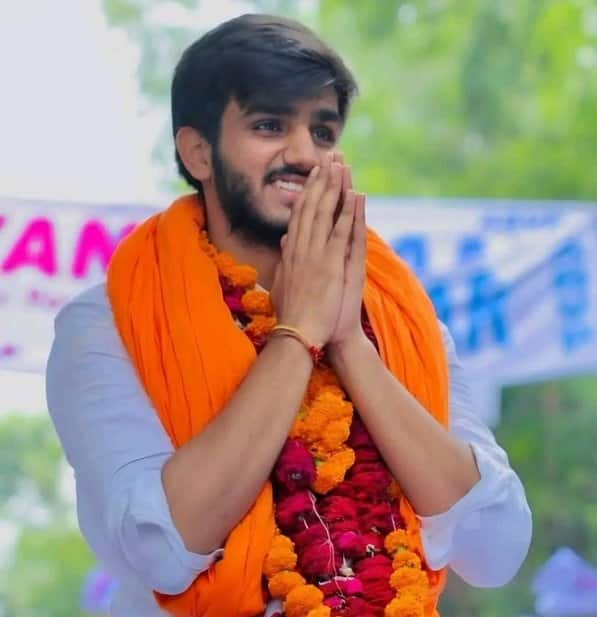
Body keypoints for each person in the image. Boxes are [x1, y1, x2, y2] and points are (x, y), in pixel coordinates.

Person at [46, 13, 531, 617]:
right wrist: (296, 335)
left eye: (322, 132)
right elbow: (162, 547)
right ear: (198, 152)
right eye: (269, 125)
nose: (303, 154)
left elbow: (495, 547)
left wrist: (349, 345)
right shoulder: (107, 326)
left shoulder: (401, 321)